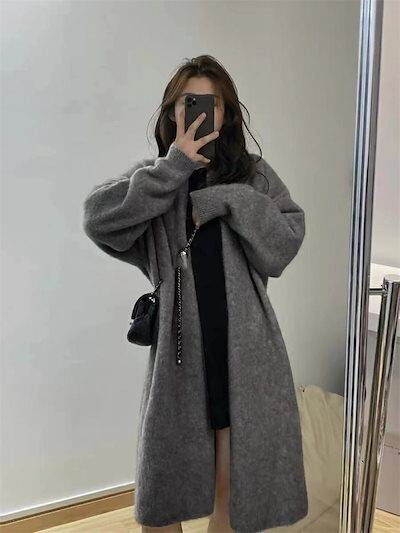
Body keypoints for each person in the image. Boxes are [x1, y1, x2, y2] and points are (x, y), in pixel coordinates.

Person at [83, 55, 308, 533]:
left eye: (213, 103)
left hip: (245, 356)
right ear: (172, 111)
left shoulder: (252, 176)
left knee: (232, 493)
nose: (201, 112)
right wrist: (175, 167)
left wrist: (227, 198)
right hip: (179, 361)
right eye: (190, 102)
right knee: (162, 495)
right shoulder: (157, 180)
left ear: (226, 114)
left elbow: (284, 243)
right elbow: (98, 219)